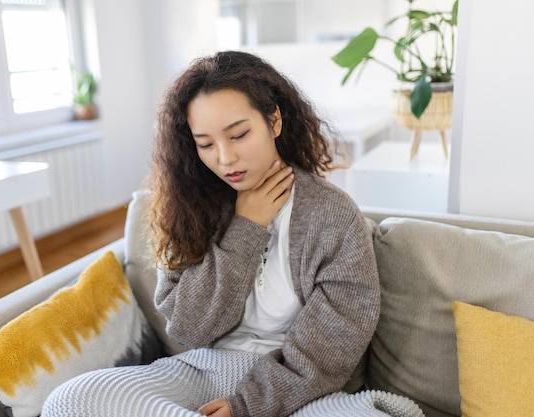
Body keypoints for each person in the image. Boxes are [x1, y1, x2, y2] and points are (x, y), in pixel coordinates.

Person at [42, 50, 381, 417]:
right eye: (205, 144)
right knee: (68, 400)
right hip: (202, 371)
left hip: (298, 393)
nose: (224, 158)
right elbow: (189, 329)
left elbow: (331, 348)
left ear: (275, 120)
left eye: (238, 135)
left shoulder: (332, 215)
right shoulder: (189, 206)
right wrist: (245, 229)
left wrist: (245, 407)